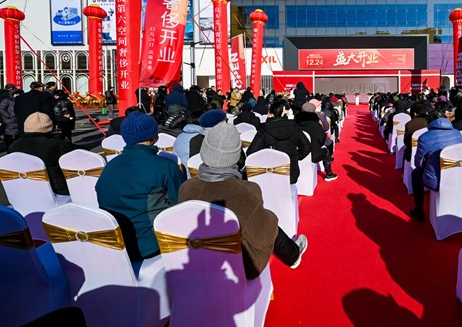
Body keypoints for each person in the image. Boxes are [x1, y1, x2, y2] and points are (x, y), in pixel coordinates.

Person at [178, 123, 307, 277]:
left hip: (196, 260)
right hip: (238, 266)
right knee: (269, 222)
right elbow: (263, 235)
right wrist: (270, 219)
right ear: (235, 155)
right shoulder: (245, 190)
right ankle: (293, 256)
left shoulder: (186, 188)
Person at [96, 112, 185, 262]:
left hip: (116, 244)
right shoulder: (165, 167)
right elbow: (180, 205)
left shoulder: (110, 166)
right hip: (151, 245)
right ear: (154, 136)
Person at [409, 109, 462, 221]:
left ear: (428, 122)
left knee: (415, 173)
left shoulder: (424, 137)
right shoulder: (457, 132)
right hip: (458, 175)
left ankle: (419, 210)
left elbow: (417, 164)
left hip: (436, 181)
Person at [247, 100, 312, 185]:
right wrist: (294, 157)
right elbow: (306, 148)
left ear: (271, 114)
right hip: (290, 173)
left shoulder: (264, 130)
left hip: (269, 173)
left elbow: (251, 153)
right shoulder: (294, 127)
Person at [8, 113, 73, 196]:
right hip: (56, 191)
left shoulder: (13, 146)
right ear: (50, 127)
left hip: (22, 191)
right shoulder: (56, 144)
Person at [295, 103, 338, 181]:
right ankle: (329, 174)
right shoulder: (316, 125)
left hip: (297, 153)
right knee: (326, 152)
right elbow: (322, 140)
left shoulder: (294, 123)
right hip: (313, 154)